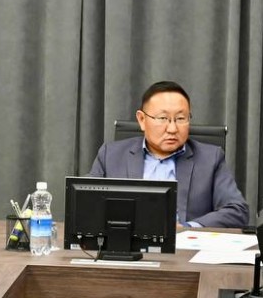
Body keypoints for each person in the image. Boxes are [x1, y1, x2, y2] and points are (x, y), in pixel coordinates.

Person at [88, 80, 249, 228]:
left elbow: (237, 210)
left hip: (184, 246)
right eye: (163, 118)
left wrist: (188, 229)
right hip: (125, 244)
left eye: (180, 118)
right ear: (142, 120)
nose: (172, 129)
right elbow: (86, 203)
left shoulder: (210, 158)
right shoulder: (111, 155)